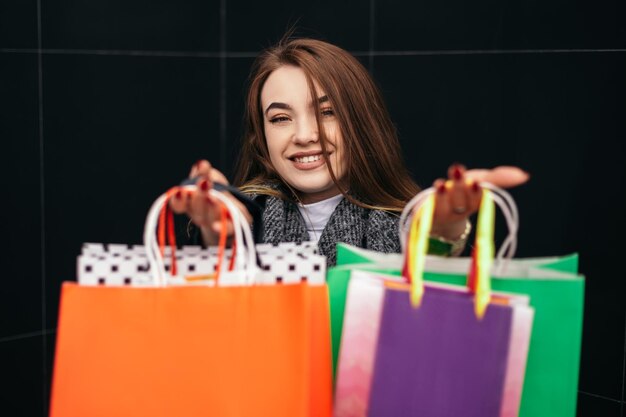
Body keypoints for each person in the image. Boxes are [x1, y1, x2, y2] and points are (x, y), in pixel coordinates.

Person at [170, 37, 528, 265]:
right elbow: (230, 252)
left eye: (327, 113)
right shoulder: (246, 216)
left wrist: (445, 229)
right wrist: (223, 238)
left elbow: (425, 256)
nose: (305, 135)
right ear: (261, 139)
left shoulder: (403, 226)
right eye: (280, 118)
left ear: (362, 122)